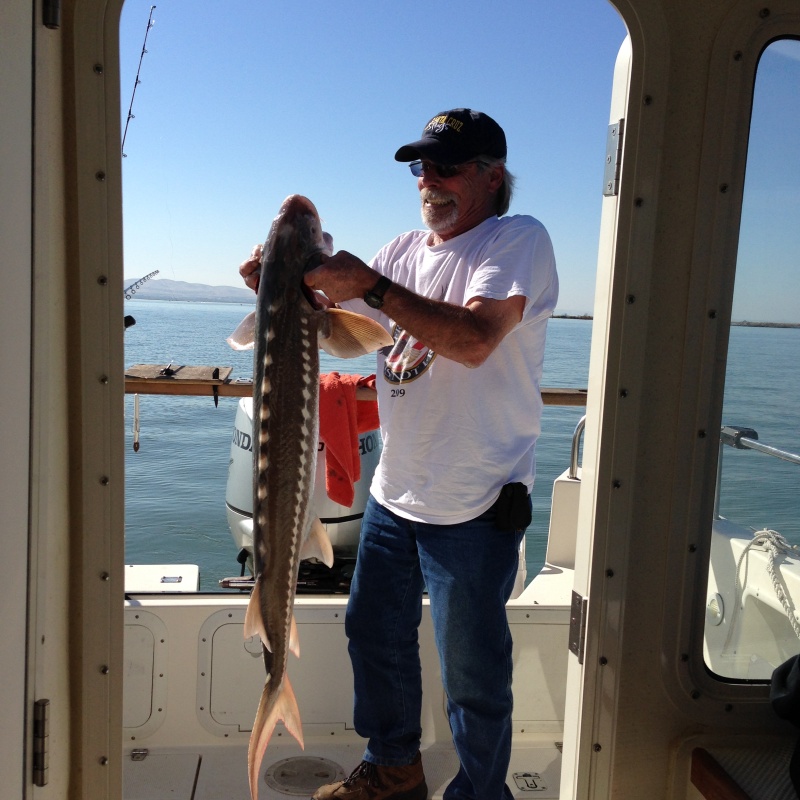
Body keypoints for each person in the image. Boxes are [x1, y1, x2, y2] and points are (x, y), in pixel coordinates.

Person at [239, 108, 558, 800]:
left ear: (491, 176)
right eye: (421, 168)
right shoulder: (403, 248)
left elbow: (474, 340)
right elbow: (358, 340)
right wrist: (286, 301)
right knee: (372, 637)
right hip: (394, 494)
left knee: (473, 675)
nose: (428, 182)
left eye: (445, 167)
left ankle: (480, 792)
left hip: (474, 503)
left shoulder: (516, 241)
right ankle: (394, 771)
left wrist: (372, 286)